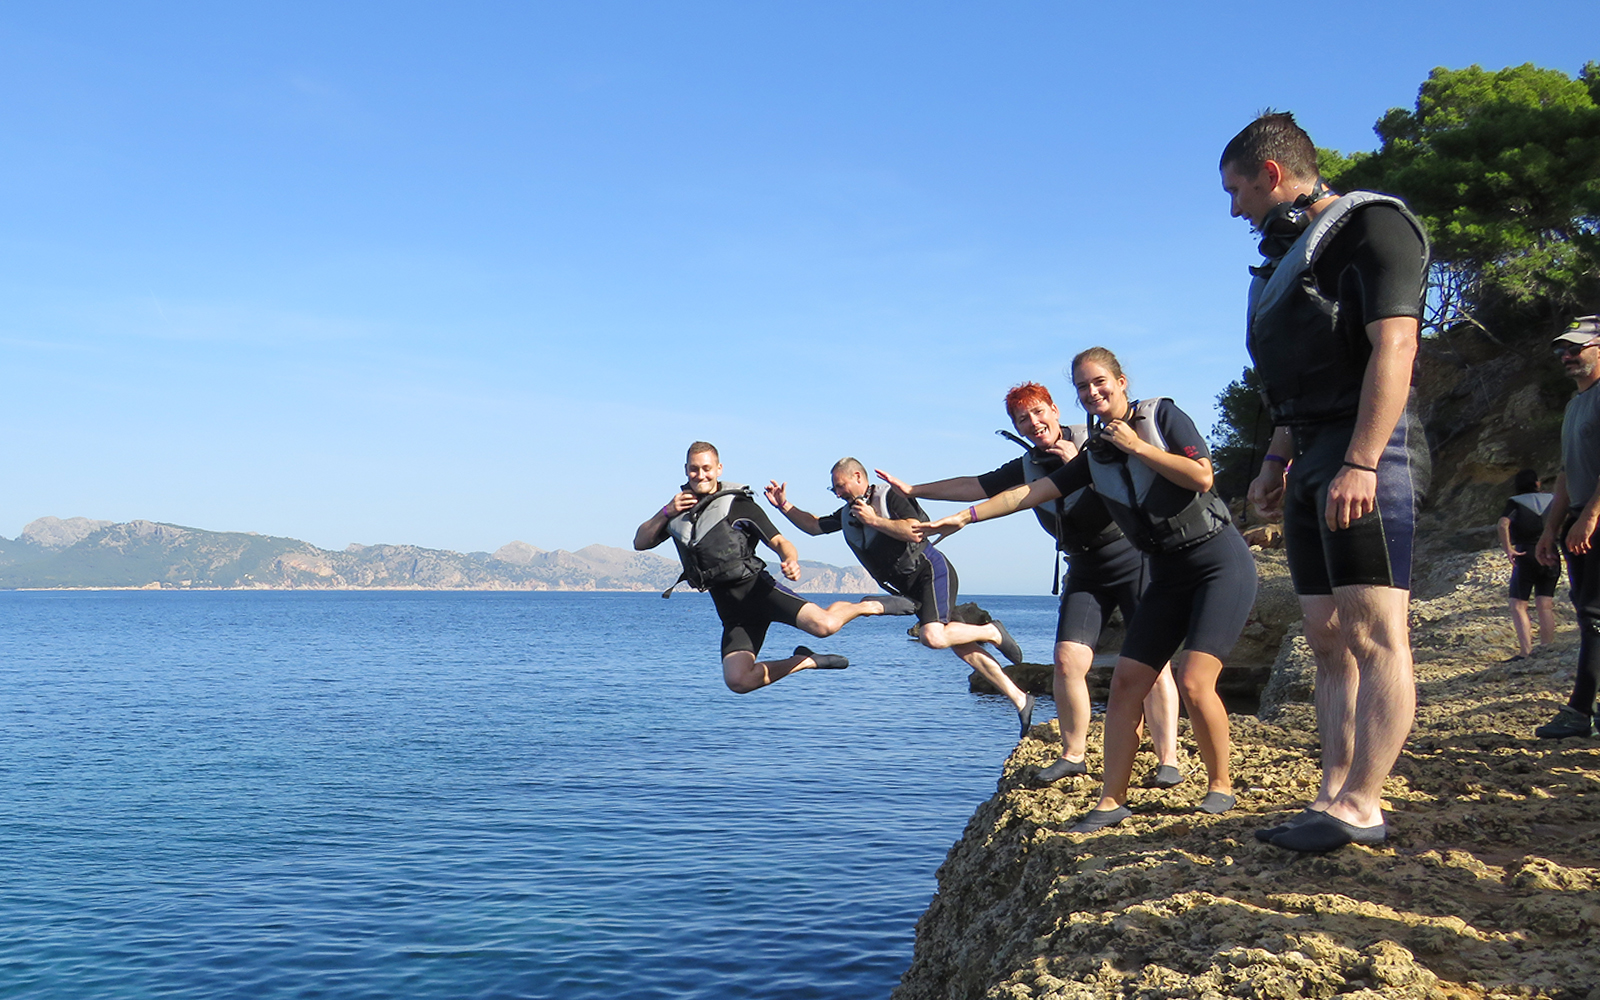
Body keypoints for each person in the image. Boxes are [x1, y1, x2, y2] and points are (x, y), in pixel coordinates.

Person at [919, 348, 1258, 832]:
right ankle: (1109, 801)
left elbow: (1203, 475)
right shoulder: (1093, 452)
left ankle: (1219, 784)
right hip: (1164, 571)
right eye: (1083, 387)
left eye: (1099, 382)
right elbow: (1028, 493)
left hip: (1216, 560)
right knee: (1123, 685)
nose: (1092, 392)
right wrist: (965, 517)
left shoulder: (1161, 415)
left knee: (1193, 679)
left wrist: (1137, 446)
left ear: (1120, 381)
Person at [1221, 112, 1432, 852]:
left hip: (1368, 452)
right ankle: (1332, 791)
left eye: (1238, 190)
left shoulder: (1374, 227)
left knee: (1377, 633)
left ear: (1272, 175)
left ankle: (1365, 805)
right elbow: (1294, 378)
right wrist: (1277, 461)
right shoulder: (1285, 261)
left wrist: (1362, 462)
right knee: (1325, 635)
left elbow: (1396, 346)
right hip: (1311, 453)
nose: (1235, 209)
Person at [875, 382, 1184, 785]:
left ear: (1055, 410)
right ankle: (1074, 754)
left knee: (1153, 665)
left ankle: (1169, 760)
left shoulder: (1100, 440)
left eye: (1039, 412)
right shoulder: (1029, 462)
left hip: (1131, 558)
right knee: (1067, 661)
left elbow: (1136, 482)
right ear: (1018, 427)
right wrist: (915, 490)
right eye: (1023, 418)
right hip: (1085, 567)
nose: (1034, 422)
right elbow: (977, 486)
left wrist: (1080, 462)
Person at [766, 458, 1038, 739]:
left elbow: (915, 529)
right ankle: (1020, 699)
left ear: (858, 476)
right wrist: (785, 506)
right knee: (962, 647)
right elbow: (813, 526)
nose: (838, 493)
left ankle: (990, 630)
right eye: (833, 489)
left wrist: (874, 520)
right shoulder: (849, 512)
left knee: (933, 637)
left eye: (840, 486)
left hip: (929, 572)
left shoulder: (890, 496)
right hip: (905, 588)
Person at [634, 441, 894, 694]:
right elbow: (640, 542)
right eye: (694, 469)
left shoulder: (739, 504)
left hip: (761, 592)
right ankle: (805, 661)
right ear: (685, 469)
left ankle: (866, 606)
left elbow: (780, 541)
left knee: (824, 626)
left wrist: (790, 559)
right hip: (733, 612)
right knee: (738, 681)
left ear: (719, 469)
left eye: (706, 468)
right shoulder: (678, 512)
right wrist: (665, 512)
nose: (700, 475)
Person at [1534, 316, 1600, 739]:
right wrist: (1550, 528)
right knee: (1589, 614)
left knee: (1594, 616)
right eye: (1562, 349)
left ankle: (1578, 712)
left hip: (1595, 520)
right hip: (1579, 518)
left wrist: (1591, 517)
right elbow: (1565, 473)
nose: (1567, 356)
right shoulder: (1576, 404)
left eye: (1576, 347)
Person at [1499, 469, 1558, 661]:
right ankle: (1547, 649)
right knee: (1545, 604)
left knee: (1518, 604)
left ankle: (1526, 652)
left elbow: (1502, 524)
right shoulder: (1553, 499)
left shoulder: (1515, 502)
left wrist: (1508, 549)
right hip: (1551, 552)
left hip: (1526, 553)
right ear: (1537, 483)